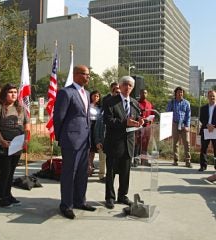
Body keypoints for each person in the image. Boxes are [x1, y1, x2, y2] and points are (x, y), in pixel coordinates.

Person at [53, 65, 96, 220]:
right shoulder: (66, 93)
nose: (88, 77)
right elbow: (58, 117)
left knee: (82, 173)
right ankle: (66, 205)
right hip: (71, 141)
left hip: (85, 140)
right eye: (86, 74)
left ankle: (80, 201)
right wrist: (61, 138)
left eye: (89, 75)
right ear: (77, 75)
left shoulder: (87, 93)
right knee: (69, 174)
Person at [103, 76, 144, 209]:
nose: (127, 87)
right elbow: (108, 120)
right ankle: (110, 197)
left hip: (129, 142)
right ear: (120, 87)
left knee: (126, 172)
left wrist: (141, 121)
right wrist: (124, 122)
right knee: (111, 172)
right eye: (125, 85)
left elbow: (137, 117)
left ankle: (122, 195)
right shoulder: (110, 102)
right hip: (114, 143)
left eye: (130, 86)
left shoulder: (134, 103)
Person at [0, 83, 30, 207]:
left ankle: (8, 194)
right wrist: (2, 141)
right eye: (10, 92)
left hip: (17, 145)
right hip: (4, 146)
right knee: (5, 171)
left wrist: (26, 139)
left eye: (15, 92)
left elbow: (26, 125)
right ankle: (2, 197)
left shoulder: (21, 108)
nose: (13, 94)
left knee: (11, 171)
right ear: (4, 93)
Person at [166, 86, 192, 168]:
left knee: (187, 143)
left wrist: (187, 126)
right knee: (175, 143)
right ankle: (175, 160)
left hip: (184, 124)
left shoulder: (186, 103)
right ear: (175, 93)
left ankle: (188, 161)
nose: (180, 94)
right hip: (175, 124)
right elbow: (168, 113)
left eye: (181, 92)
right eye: (178, 92)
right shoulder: (172, 102)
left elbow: (188, 115)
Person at [198, 90, 216, 171]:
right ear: (207, 97)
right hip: (205, 130)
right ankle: (203, 166)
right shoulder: (203, 108)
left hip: (215, 130)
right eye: (210, 96)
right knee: (203, 149)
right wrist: (207, 125)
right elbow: (201, 118)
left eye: (213, 96)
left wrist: (213, 126)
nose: (212, 97)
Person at [138, 89, 154, 165]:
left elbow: (152, 114)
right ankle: (136, 160)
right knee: (138, 143)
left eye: (145, 93)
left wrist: (151, 120)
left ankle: (144, 160)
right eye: (142, 93)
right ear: (140, 93)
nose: (144, 94)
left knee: (145, 144)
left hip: (147, 127)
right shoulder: (136, 103)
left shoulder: (149, 104)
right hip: (138, 126)